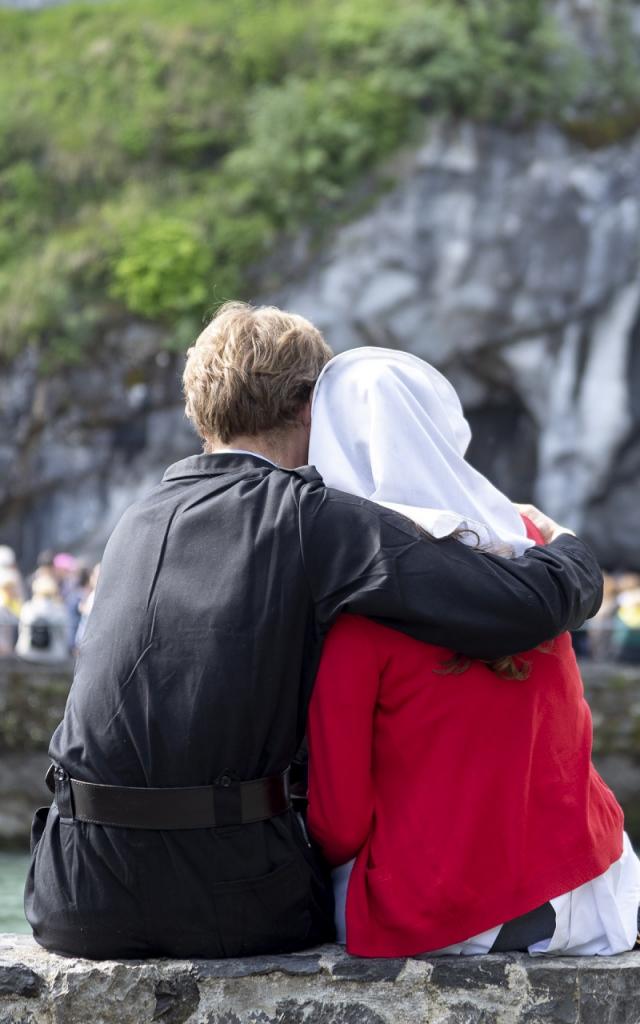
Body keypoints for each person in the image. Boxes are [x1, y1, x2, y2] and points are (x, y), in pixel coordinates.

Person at [25, 303, 603, 960]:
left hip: (71, 890)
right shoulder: (315, 518)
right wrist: (569, 547)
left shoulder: (137, 519)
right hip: (230, 899)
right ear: (309, 408)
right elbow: (523, 609)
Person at [306, 347, 640, 957]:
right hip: (592, 885)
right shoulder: (534, 541)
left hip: (447, 909)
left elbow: (339, 820)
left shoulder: (361, 608)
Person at [15, 573, 70, 664]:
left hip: (27, 654)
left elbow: (21, 631)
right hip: (54, 656)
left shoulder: (27, 608)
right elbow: (65, 635)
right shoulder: (60, 610)